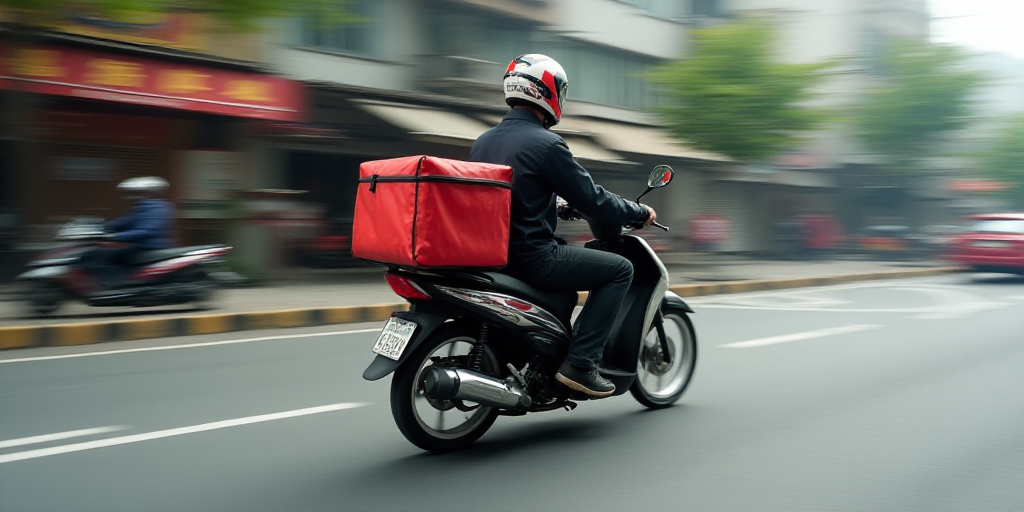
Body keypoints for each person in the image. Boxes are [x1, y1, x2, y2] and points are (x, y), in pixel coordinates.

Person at [470, 54, 656, 398]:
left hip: (491, 256)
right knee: (620, 270)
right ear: (548, 92)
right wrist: (636, 211)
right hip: (532, 256)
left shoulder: (483, 141)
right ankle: (581, 364)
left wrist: (553, 203)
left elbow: (505, 193)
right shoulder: (548, 145)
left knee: (570, 290)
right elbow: (593, 200)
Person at [90, 176, 175, 288]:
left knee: (104, 256)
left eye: (133, 192)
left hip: (150, 247)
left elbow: (146, 231)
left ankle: (115, 286)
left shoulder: (157, 208)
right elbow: (121, 223)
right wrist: (96, 228)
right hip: (142, 245)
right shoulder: (142, 208)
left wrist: (114, 236)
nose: (129, 196)